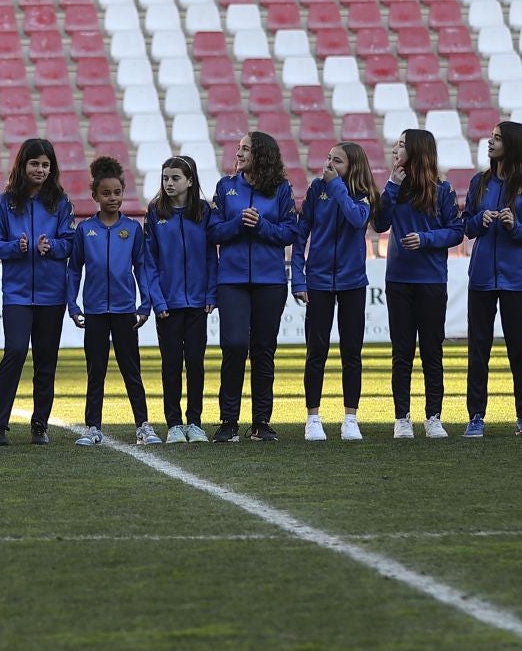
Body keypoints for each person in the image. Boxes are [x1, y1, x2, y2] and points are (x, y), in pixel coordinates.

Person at [461, 121, 522, 438]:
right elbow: (467, 227)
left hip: (516, 280)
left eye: (497, 138)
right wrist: (479, 220)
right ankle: (476, 416)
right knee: (478, 350)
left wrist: (517, 226)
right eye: (491, 137)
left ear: (512, 145)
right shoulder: (479, 182)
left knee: (520, 350)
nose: (490, 142)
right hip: (482, 279)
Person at [207, 130, 300, 442]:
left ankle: (261, 423)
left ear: (261, 154)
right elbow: (214, 232)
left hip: (270, 281)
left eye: (246, 148)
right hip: (231, 281)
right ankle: (228, 422)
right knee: (233, 346)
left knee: (263, 350)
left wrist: (261, 226)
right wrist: (237, 224)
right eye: (239, 147)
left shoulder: (281, 189)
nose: (239, 152)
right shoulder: (226, 186)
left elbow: (289, 233)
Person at [0, 137, 77, 445]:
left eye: (45, 164)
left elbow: (71, 243)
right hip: (17, 295)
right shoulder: (5, 201)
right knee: (15, 351)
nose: (40, 169)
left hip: (53, 294)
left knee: (46, 359)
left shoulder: (61, 202)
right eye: (34, 163)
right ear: (22, 165)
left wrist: (52, 246)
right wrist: (15, 247)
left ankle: (40, 424)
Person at [374, 128, 463, 438]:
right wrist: (391, 186)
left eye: (401, 145)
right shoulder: (393, 188)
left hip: (431, 280)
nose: (395, 150)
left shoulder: (443, 190)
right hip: (398, 279)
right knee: (401, 352)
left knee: (431, 351)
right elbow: (380, 223)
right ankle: (402, 418)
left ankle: (433, 417)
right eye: (396, 144)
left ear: (416, 151)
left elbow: (456, 232)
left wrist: (425, 239)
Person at [68, 156, 161, 447]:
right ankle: (92, 427)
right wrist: (73, 305)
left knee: (132, 370)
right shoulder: (84, 230)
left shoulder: (133, 229)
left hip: (124, 312)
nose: (112, 198)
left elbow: (142, 267)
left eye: (117, 192)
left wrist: (145, 304)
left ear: (123, 192)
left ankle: (143, 425)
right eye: (106, 193)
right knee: (96, 371)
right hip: (95, 312)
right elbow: (74, 269)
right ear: (94, 195)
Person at [293, 141, 377, 443]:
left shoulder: (364, 194)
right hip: (317, 281)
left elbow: (357, 219)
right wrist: (298, 278)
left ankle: (350, 418)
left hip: (352, 282)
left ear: (351, 166)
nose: (328, 165)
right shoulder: (317, 189)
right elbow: (302, 233)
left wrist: (338, 186)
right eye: (328, 158)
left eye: (337, 161)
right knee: (316, 352)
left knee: (351, 353)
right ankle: (312, 418)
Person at [144, 155, 216, 445]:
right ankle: (174, 423)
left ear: (189, 181)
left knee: (196, 363)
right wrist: (158, 301)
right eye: (165, 178)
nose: (169, 183)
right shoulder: (155, 211)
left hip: (198, 303)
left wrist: (211, 293)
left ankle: (195, 421)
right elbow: (149, 260)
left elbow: (212, 256)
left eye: (175, 178)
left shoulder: (203, 211)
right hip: (168, 306)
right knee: (171, 364)